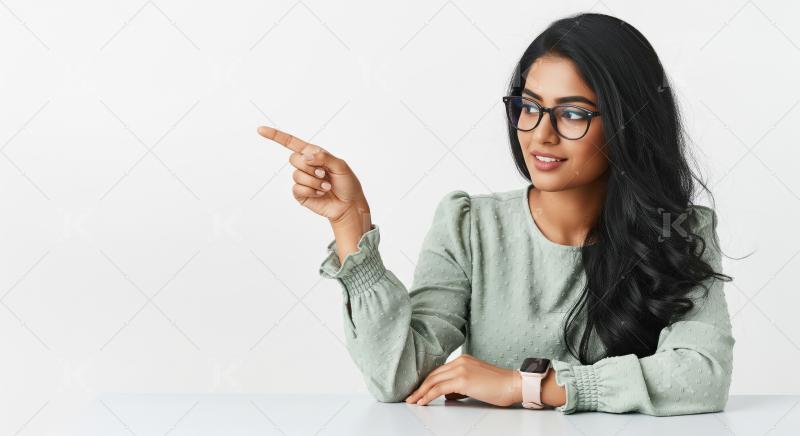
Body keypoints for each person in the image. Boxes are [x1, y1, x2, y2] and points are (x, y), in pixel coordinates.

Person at [257, 12, 735, 416]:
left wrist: (528, 386)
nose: (540, 134)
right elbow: (396, 375)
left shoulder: (678, 231)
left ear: (629, 122)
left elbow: (702, 375)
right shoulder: (469, 226)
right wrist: (350, 223)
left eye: (572, 113)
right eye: (529, 107)